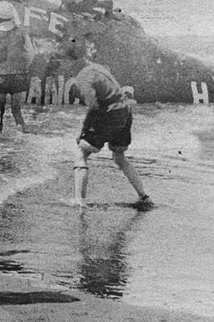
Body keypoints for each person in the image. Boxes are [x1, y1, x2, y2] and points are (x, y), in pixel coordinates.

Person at [64, 34, 150, 209]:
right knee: (119, 157)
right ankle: (144, 196)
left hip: (111, 113)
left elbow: (94, 106)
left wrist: (83, 133)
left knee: (81, 154)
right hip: (125, 110)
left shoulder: (83, 77)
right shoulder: (99, 68)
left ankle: (79, 201)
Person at [0, 1, 33, 133]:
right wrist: (23, 68)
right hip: (18, 75)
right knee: (17, 111)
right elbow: (30, 54)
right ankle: (21, 137)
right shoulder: (22, 32)